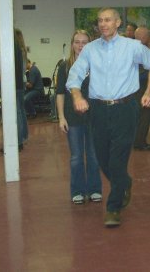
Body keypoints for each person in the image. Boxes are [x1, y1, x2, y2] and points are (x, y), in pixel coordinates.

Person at [66, 7, 150, 227]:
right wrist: (77, 96)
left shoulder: (133, 47)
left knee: (117, 159)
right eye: (100, 21)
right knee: (102, 158)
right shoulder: (90, 49)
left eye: (108, 20)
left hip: (125, 109)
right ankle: (124, 182)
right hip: (98, 110)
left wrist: (148, 92)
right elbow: (74, 76)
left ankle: (113, 207)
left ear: (118, 23)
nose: (103, 24)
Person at [56, 30, 102, 204]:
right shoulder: (64, 66)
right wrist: (61, 117)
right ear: (72, 44)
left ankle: (95, 189)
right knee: (76, 157)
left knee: (93, 155)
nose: (80, 45)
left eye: (84, 42)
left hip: (94, 117)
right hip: (72, 117)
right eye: (77, 42)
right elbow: (60, 94)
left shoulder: (96, 65)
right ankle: (77, 191)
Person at [0, 28, 29, 152]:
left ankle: (17, 140)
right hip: (20, 84)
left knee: (15, 113)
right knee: (20, 111)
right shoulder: (22, 50)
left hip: (13, 85)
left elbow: (6, 68)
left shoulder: (12, 49)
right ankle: (23, 136)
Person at [133, 26, 150, 151]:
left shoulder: (130, 48)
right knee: (144, 115)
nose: (149, 37)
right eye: (147, 35)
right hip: (141, 87)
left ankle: (136, 140)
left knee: (136, 117)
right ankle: (140, 142)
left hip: (132, 88)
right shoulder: (141, 50)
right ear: (143, 36)